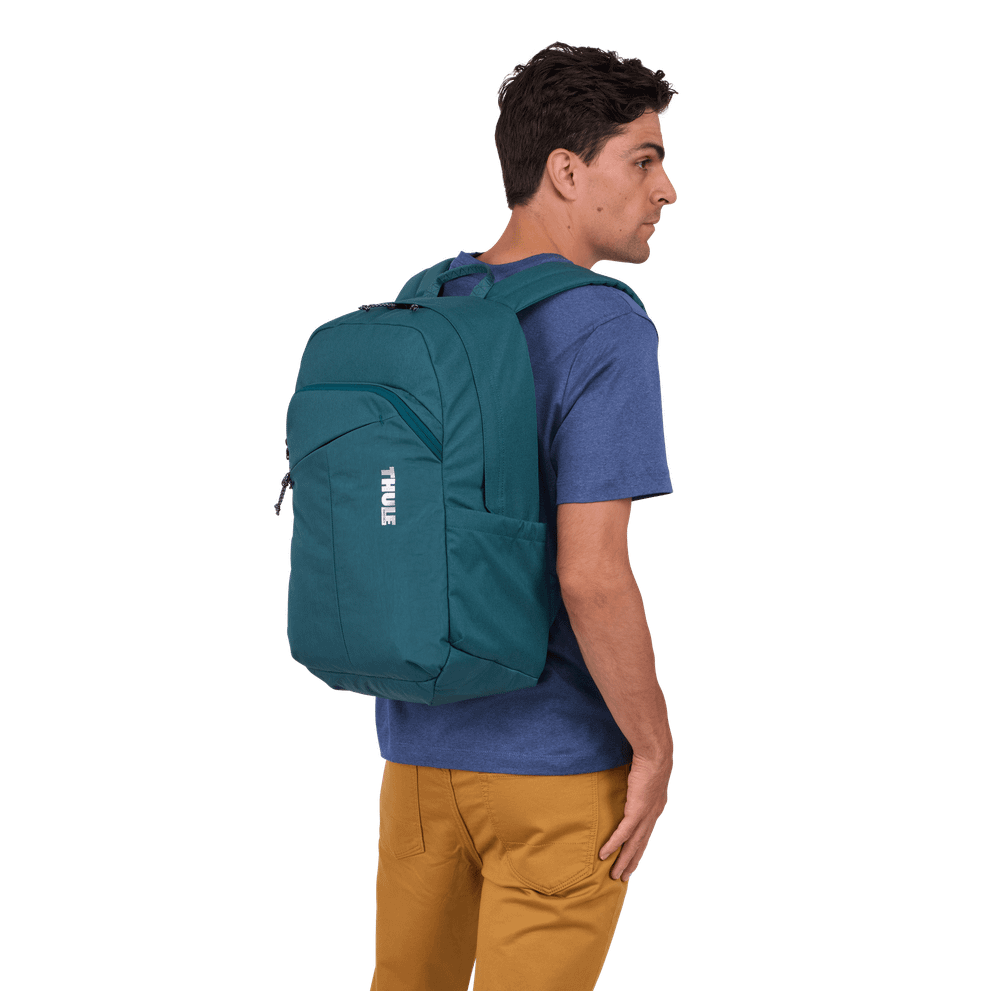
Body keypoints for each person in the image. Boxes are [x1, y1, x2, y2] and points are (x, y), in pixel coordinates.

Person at [370, 42, 678, 991]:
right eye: (644, 159)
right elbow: (590, 572)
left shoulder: (427, 302)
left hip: (416, 759)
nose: (665, 189)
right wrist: (654, 747)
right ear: (566, 170)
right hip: (552, 767)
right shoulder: (604, 324)